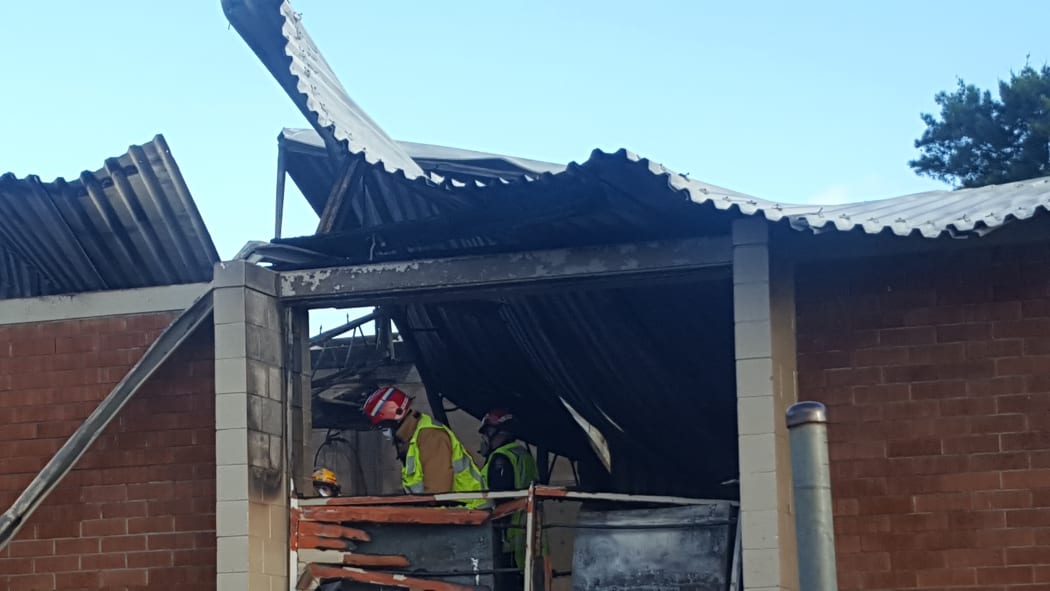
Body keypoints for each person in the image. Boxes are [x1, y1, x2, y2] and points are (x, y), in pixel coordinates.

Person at [362, 386, 486, 508]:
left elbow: (437, 494)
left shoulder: (430, 435)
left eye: (383, 426)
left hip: (470, 513)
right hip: (457, 514)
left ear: (397, 418)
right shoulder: (412, 437)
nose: (384, 432)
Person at [479, 409, 540, 585]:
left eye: (487, 433)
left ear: (499, 432)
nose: (485, 439)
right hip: (527, 530)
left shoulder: (500, 458)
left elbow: (500, 499)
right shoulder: (522, 454)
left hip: (507, 536)